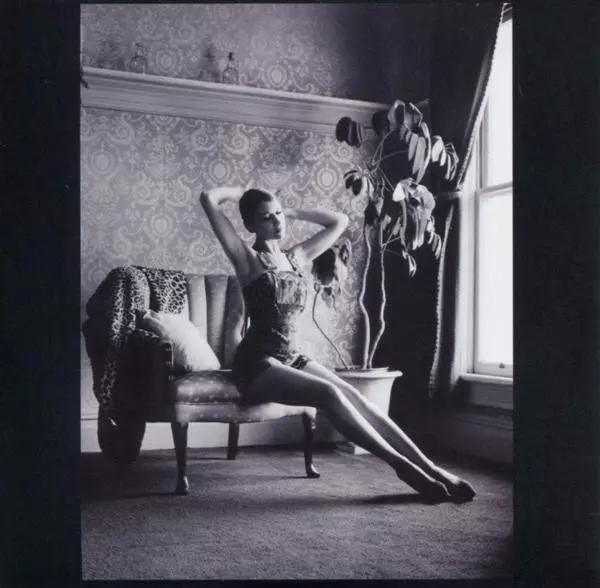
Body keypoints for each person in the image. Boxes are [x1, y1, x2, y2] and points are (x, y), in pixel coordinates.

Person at [200, 185, 475, 503]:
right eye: (266, 218)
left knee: (355, 396)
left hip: (291, 356)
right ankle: (403, 468)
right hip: (256, 363)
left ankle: (431, 468)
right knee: (328, 393)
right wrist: (242, 192)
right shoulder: (247, 260)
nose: (277, 222)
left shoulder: (297, 257)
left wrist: (291, 210)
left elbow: (339, 221)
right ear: (250, 225)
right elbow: (209, 199)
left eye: (278, 215)